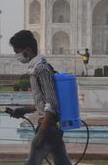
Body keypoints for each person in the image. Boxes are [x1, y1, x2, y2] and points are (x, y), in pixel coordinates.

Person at [8, 30, 72, 165]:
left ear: (28, 50)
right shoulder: (35, 69)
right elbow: (43, 103)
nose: (17, 56)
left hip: (48, 127)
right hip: (51, 127)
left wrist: (42, 130)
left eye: (18, 52)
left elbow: (52, 102)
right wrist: (23, 110)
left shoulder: (41, 69)